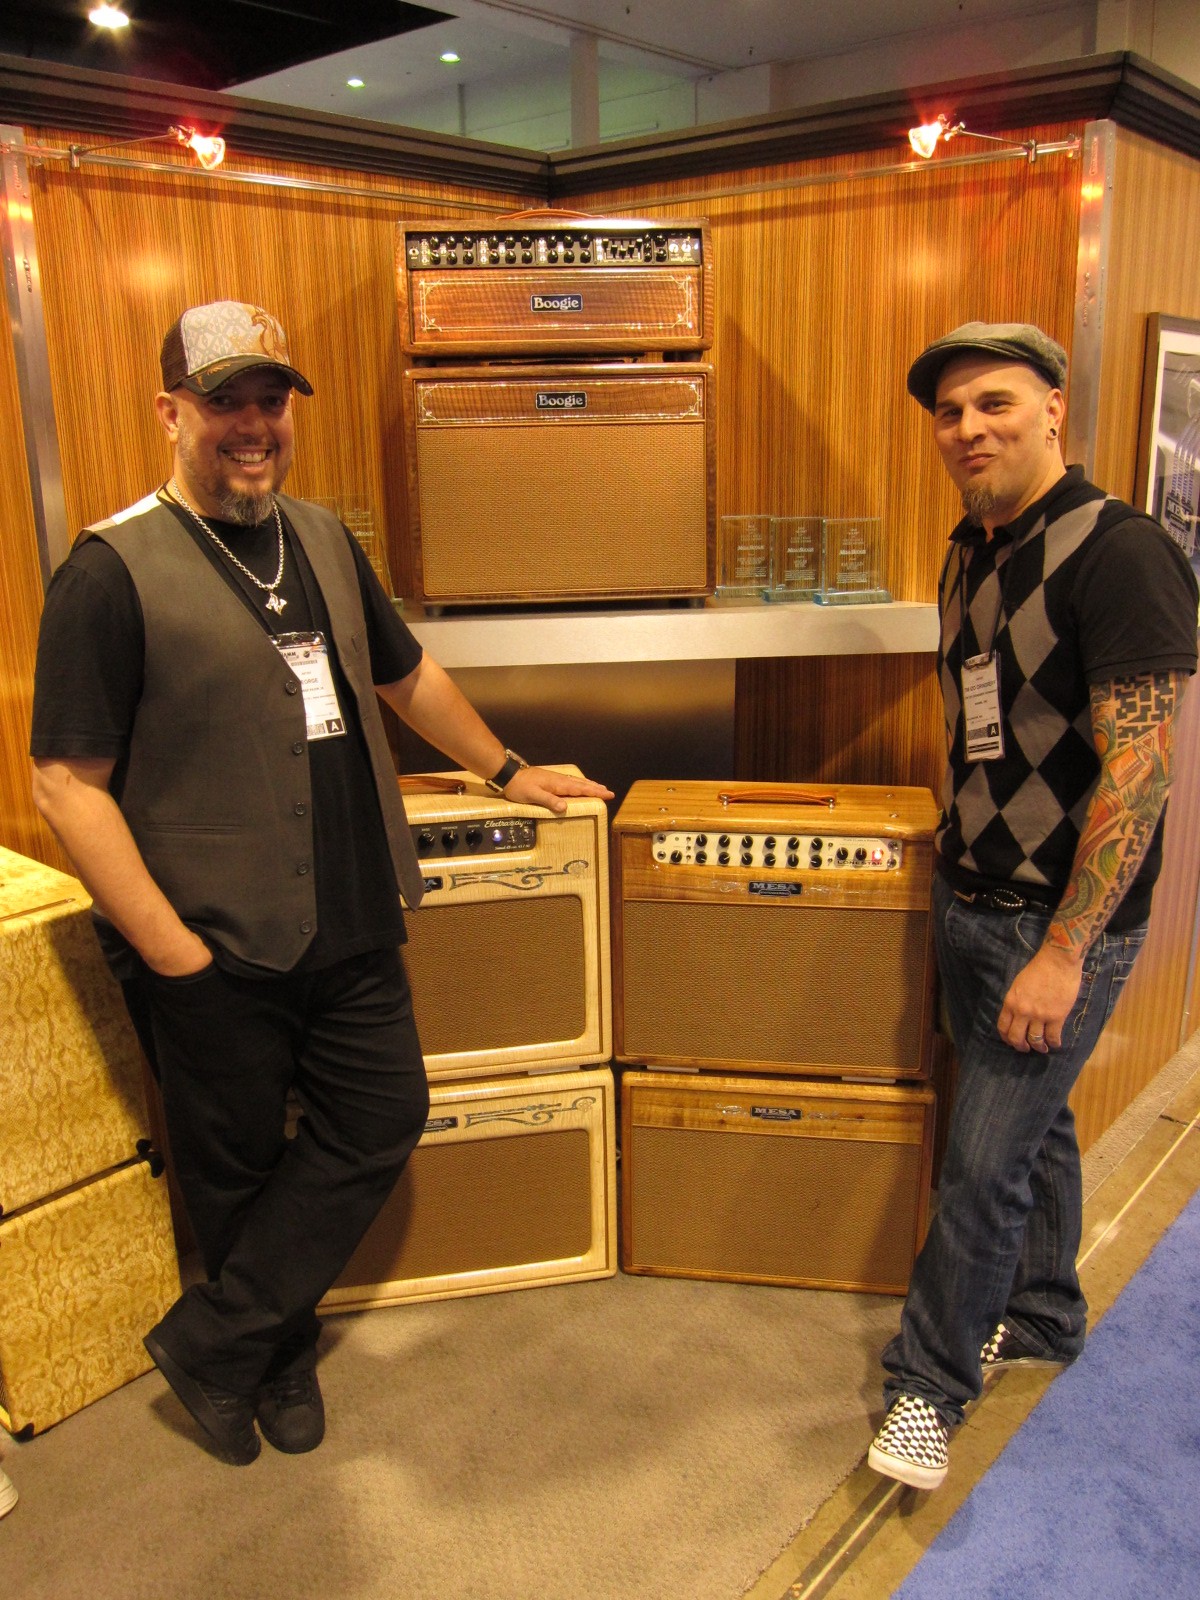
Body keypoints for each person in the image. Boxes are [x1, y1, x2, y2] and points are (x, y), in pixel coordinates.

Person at [29, 300, 613, 1467]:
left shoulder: (322, 537)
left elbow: (406, 676)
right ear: (170, 413)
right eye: (224, 403)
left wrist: (507, 766)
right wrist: (172, 950)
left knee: (381, 1112)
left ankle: (215, 1340)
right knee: (235, 1165)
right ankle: (275, 1357)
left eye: (270, 401)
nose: (253, 425)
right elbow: (65, 784)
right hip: (210, 937)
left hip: (349, 910)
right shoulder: (109, 568)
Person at [867, 322, 1199, 1491]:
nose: (969, 429)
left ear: (1055, 406)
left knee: (980, 1161)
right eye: (950, 412)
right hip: (969, 894)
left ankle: (927, 1386)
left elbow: (1140, 775)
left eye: (995, 402)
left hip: (1058, 926)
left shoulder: (1124, 553)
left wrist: (1063, 953)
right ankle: (1046, 1311)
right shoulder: (974, 545)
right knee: (1032, 1127)